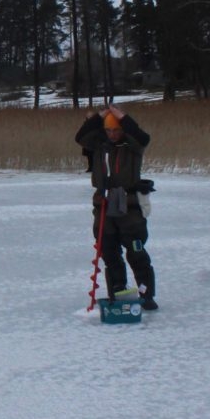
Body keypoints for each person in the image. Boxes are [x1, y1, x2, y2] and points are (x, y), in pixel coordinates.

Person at [76, 105, 158, 309]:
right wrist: (99, 117)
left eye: (116, 130)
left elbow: (143, 138)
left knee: (136, 251)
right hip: (103, 206)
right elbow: (81, 137)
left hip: (129, 207)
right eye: (108, 130)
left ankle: (146, 294)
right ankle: (119, 291)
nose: (112, 134)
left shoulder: (132, 146)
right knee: (109, 253)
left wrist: (123, 116)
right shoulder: (98, 145)